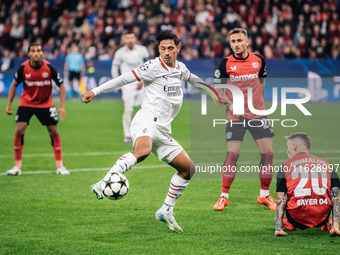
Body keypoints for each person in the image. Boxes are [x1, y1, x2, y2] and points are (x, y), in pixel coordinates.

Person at [82, 30, 205, 233]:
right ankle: (104, 180)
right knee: (143, 151)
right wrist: (95, 91)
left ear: (178, 48)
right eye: (163, 48)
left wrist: (220, 95)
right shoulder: (152, 66)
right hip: (146, 120)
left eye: (170, 48)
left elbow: (196, 82)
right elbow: (123, 79)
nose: (166, 52)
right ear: (158, 49)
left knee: (188, 169)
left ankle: (166, 210)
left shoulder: (181, 68)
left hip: (163, 130)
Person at [213, 28, 276, 211]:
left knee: (268, 154)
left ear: (247, 41)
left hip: (258, 115)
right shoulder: (225, 64)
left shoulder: (259, 60)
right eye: (233, 42)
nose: (236, 44)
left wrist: (258, 105)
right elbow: (218, 90)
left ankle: (264, 195)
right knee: (232, 154)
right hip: (235, 116)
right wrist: (233, 107)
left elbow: (262, 81)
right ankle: (224, 197)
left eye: (239, 40)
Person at [5, 42, 69, 175]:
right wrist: (9, 103)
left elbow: (62, 86)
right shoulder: (23, 68)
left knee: (53, 131)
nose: (36, 53)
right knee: (19, 129)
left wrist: (62, 107)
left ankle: (60, 166)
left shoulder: (49, 68)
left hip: (46, 103)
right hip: (26, 103)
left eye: (38, 50)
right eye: (33, 51)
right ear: (29, 54)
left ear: (42, 53)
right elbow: (13, 85)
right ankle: (17, 166)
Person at [275, 132, 340, 237]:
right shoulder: (327, 164)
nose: (287, 151)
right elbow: (336, 198)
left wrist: (278, 228)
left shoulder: (285, 166)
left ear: (295, 147)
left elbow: (281, 199)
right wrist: (336, 227)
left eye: (288, 147)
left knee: (285, 194)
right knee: (331, 194)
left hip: (296, 219)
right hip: (322, 218)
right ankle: (329, 223)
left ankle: (288, 222)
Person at [111, 31, 149, 143]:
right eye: (127, 38)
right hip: (127, 85)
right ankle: (127, 134)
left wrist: (144, 80)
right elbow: (114, 69)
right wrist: (118, 84)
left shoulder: (142, 50)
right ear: (124, 40)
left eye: (132, 37)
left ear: (135, 39)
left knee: (146, 108)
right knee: (128, 109)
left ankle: (144, 132)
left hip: (141, 83)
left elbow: (148, 66)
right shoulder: (119, 53)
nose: (130, 40)